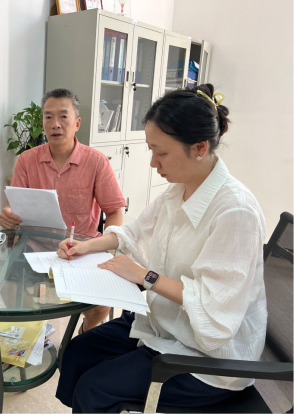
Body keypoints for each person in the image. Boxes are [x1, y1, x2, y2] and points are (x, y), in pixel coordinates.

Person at [54, 84, 267, 413]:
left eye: (161, 152)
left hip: (207, 359)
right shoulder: (179, 189)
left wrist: (145, 276)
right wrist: (85, 246)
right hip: (167, 326)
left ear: (199, 147)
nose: (154, 163)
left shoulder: (235, 211)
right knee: (77, 353)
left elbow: (213, 308)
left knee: (94, 390)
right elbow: (134, 231)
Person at [0, 88, 127, 332]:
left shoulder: (96, 161)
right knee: (10, 292)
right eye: (48, 117)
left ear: (77, 123)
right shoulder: (26, 160)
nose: (55, 124)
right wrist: (8, 214)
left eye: (63, 117)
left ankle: (85, 332)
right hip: (36, 244)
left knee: (102, 302)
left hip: (82, 247)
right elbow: (14, 205)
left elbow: (114, 211)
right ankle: (33, 336)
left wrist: (108, 245)